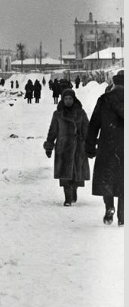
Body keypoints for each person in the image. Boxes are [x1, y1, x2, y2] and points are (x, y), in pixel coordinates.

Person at [85, 70, 124, 225]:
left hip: (107, 145)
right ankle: (123, 217)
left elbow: (94, 124)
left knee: (107, 178)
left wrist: (89, 146)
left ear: (114, 83)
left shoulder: (104, 100)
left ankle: (109, 207)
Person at [44, 88, 91, 206]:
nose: (68, 101)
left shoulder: (81, 112)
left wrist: (89, 145)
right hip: (63, 148)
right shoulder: (58, 114)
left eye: (70, 98)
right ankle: (68, 198)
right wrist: (49, 145)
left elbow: (87, 129)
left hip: (78, 148)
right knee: (65, 174)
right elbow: (53, 131)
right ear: (62, 99)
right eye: (66, 98)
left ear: (74, 99)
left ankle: (74, 189)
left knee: (76, 173)